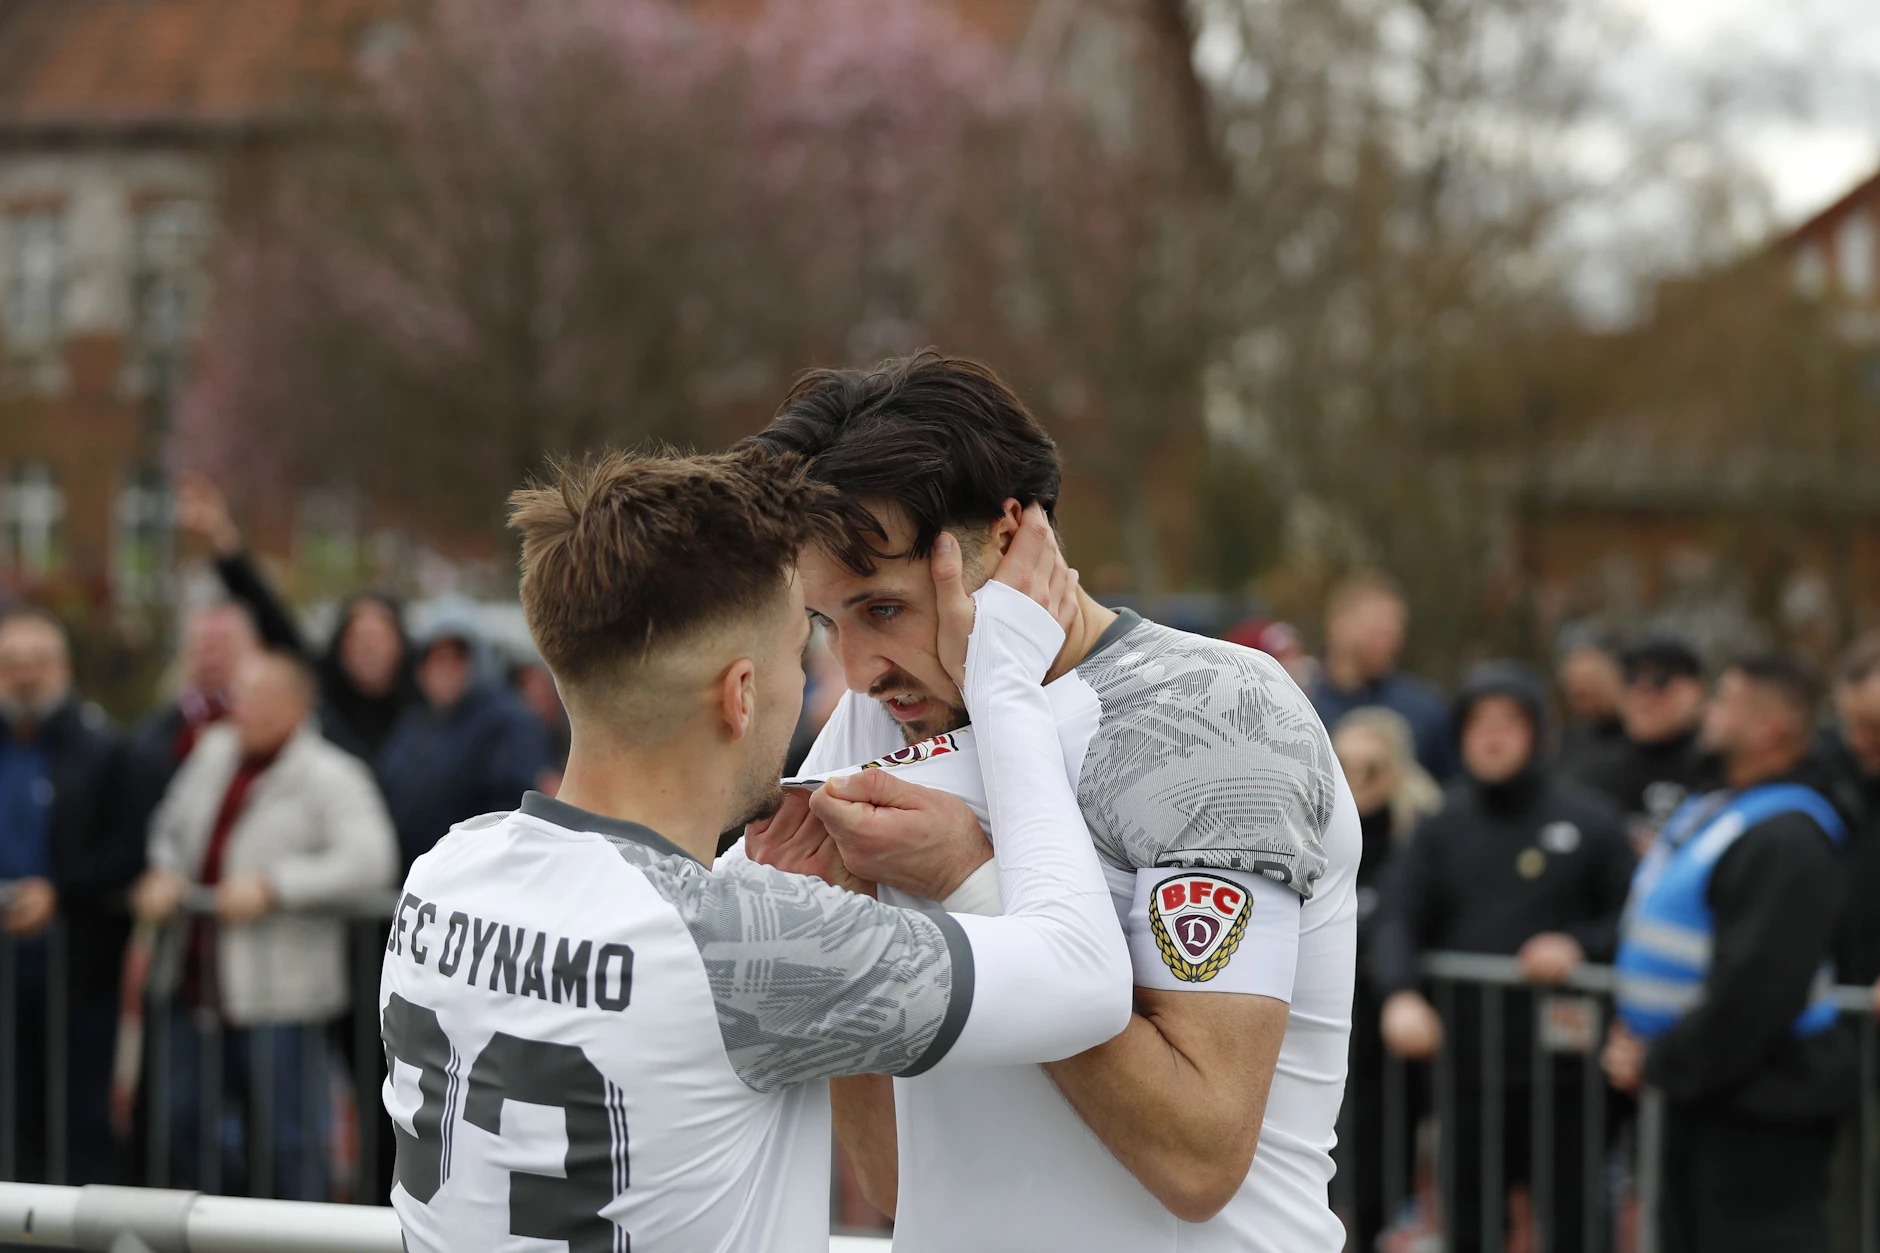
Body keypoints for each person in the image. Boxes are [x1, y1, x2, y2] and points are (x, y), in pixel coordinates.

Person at [381, 449, 1131, 1252]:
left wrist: (748, 866)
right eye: (800, 650)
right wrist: (1004, 676)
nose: (834, 677)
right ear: (741, 694)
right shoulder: (750, 943)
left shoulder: (445, 872)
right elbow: (1083, 978)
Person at [738, 352, 1360, 1253]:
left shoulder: (1214, 715)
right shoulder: (885, 723)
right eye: (830, 623)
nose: (861, 673)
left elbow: (1197, 1157)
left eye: (884, 609)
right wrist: (837, 926)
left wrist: (969, 879)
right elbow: (897, 1176)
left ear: (1013, 533)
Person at [1371, 662, 1635, 1253]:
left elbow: (1633, 920)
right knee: (1469, 1225)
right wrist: (1402, 994)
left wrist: (1579, 945)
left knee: (1577, 1226)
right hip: (1468, 1072)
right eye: (1478, 723)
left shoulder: (1591, 821)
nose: (1492, 736)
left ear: (1538, 733)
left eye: (1510, 723)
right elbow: (1398, 916)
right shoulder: (1441, 826)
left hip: (1570, 1077)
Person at [1606, 655, 1852, 1253]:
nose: (1709, 712)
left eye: (1726, 701)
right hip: (1708, 1098)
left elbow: (1759, 989)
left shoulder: (1789, 834)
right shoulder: (1725, 809)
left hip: (1762, 1109)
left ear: (1770, 727)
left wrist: (1660, 1061)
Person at [133, 648, 399, 1199]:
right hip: (195, 983)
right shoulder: (213, 754)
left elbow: (372, 859)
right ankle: (231, 1233)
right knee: (180, 1123)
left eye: (257, 698)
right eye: (239, 695)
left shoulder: (332, 776)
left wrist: (276, 886)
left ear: (297, 707)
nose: (242, 709)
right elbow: (169, 825)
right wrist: (161, 870)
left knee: (290, 1143)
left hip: (282, 997)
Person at [0, 607, 141, 1184]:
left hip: (78, 973)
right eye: (11, 664)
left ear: (64, 668)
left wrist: (59, 893)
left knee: (79, 1124)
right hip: (7, 977)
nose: (25, 675)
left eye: (37, 662)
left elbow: (129, 848)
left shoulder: (106, 748)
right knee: (13, 1124)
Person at [173, 474, 422, 761]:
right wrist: (220, 535)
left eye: (378, 636)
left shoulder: (424, 706)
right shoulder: (322, 692)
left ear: (399, 643)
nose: (367, 647)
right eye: (358, 637)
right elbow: (271, 616)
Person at [1328, 707, 1442, 1251]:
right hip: (1333, 1030)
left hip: (1391, 1036)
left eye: (1370, 767)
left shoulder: (1421, 836)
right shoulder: (1317, 830)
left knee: (1382, 1167)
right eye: (1342, 763)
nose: (1355, 779)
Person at [375, 607, 552, 870]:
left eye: (457, 657)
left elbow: (519, 806)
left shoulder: (507, 722)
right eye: (435, 657)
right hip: (415, 881)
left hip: (475, 879)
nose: (445, 668)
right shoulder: (411, 725)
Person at [128, 601, 260, 828]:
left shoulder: (280, 729)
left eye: (223, 647)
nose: (212, 660)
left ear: (254, 650)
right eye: (202, 648)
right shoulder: (151, 738)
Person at [1311, 573, 1455, 780]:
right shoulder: (1301, 704)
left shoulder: (1426, 709)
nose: (1389, 643)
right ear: (1337, 625)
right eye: (1376, 631)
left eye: (1395, 632)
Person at [1569, 636, 1713, 844]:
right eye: (1631, 677)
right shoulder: (1590, 771)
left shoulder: (1719, 770)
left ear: (1695, 690)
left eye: (1661, 680)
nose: (1642, 691)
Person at [1556, 624, 1626, 777]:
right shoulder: (1567, 742)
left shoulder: (1644, 740)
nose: (1583, 694)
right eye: (1577, 691)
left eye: (1591, 680)